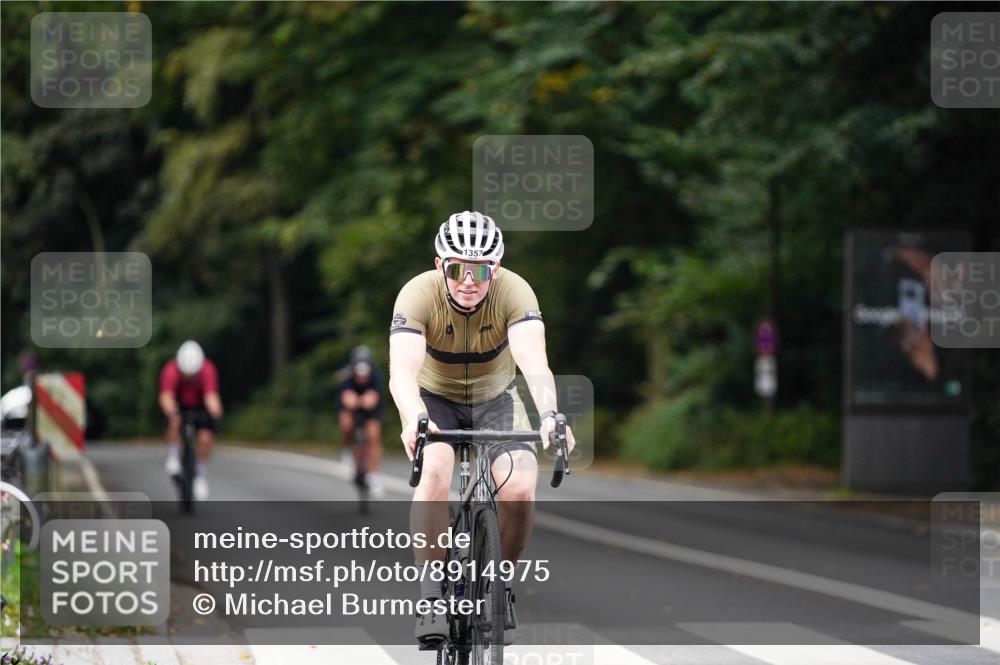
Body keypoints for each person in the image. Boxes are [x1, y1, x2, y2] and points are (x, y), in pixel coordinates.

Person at [388, 210, 575, 644]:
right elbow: (402, 373)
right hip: (434, 398)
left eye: (481, 270)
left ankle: (499, 586)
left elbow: (535, 365)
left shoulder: (515, 291)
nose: (468, 281)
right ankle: (431, 596)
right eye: (457, 269)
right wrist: (413, 418)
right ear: (440, 267)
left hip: (497, 398)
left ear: (497, 268)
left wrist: (549, 415)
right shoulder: (417, 294)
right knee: (434, 471)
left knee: (520, 489)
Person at [159, 340, 222, 500]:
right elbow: (166, 396)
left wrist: (215, 411)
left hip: (200, 405)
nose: (189, 377)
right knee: (174, 420)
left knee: (205, 437)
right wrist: (171, 411)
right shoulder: (171, 370)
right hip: (179, 405)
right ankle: (173, 457)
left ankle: (200, 474)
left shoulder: (207, 369)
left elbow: (211, 396)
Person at [338, 345, 385, 498]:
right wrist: (354, 401)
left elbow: (373, 398)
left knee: (373, 436)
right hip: (351, 408)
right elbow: (346, 399)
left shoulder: (376, 375)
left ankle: (375, 476)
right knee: (346, 423)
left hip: (371, 410)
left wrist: (366, 400)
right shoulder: (346, 376)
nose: (362, 377)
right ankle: (347, 448)